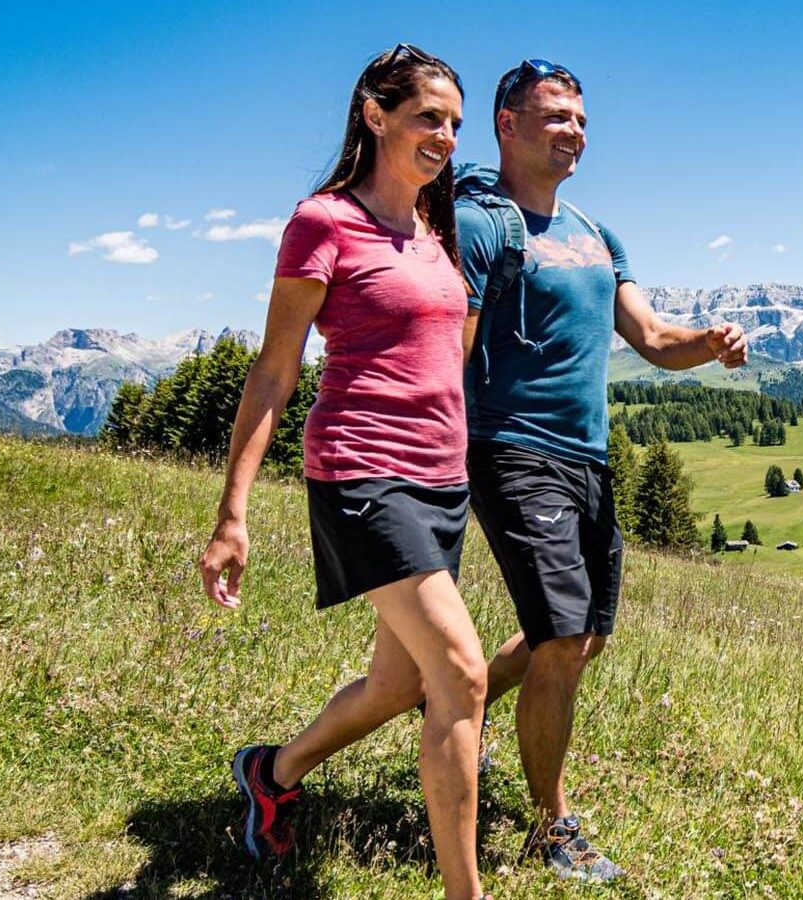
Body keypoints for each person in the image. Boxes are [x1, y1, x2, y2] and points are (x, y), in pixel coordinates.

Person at [197, 45, 491, 900]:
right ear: (375, 113)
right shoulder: (323, 220)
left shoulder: (435, 234)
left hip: (441, 482)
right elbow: (275, 371)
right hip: (363, 472)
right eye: (427, 117)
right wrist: (232, 514)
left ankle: (271, 774)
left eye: (454, 124)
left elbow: (447, 351)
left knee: (401, 684)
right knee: (463, 675)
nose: (444, 136)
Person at [454, 58, 748, 883]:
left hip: (588, 457)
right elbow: (452, 348)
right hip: (511, 448)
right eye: (554, 117)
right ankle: (551, 827)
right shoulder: (481, 224)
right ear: (506, 125)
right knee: (561, 639)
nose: (572, 132)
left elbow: (652, 339)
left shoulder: (595, 232)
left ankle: (464, 699)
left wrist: (711, 344)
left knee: (587, 640)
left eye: (580, 119)